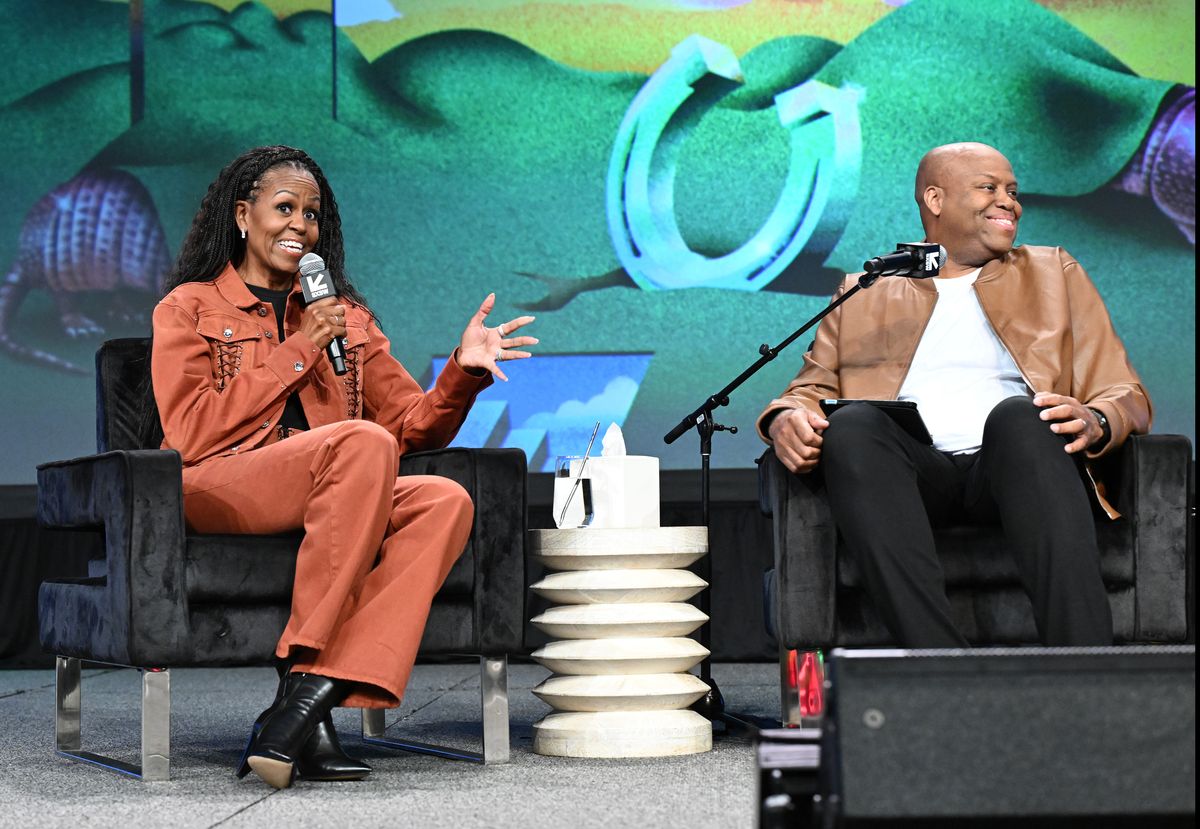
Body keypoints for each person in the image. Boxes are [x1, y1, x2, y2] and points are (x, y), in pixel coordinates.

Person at [149, 145, 537, 789]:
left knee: (444, 500)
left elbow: (412, 425)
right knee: (361, 443)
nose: (300, 226)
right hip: (223, 481)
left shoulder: (348, 320)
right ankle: (306, 693)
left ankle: (302, 701)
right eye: (284, 208)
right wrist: (302, 347)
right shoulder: (188, 307)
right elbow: (189, 433)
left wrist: (462, 376)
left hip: (337, 484)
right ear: (243, 216)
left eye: (312, 214)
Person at [758, 141, 1151, 648]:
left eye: (1012, 191)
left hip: (1019, 467)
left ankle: (1086, 666)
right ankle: (941, 663)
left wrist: (1097, 419)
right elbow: (809, 390)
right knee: (852, 425)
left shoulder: (1054, 272)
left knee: (1021, 416)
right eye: (988, 188)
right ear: (935, 200)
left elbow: (1124, 390)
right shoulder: (867, 289)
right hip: (913, 478)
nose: (1008, 201)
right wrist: (784, 418)